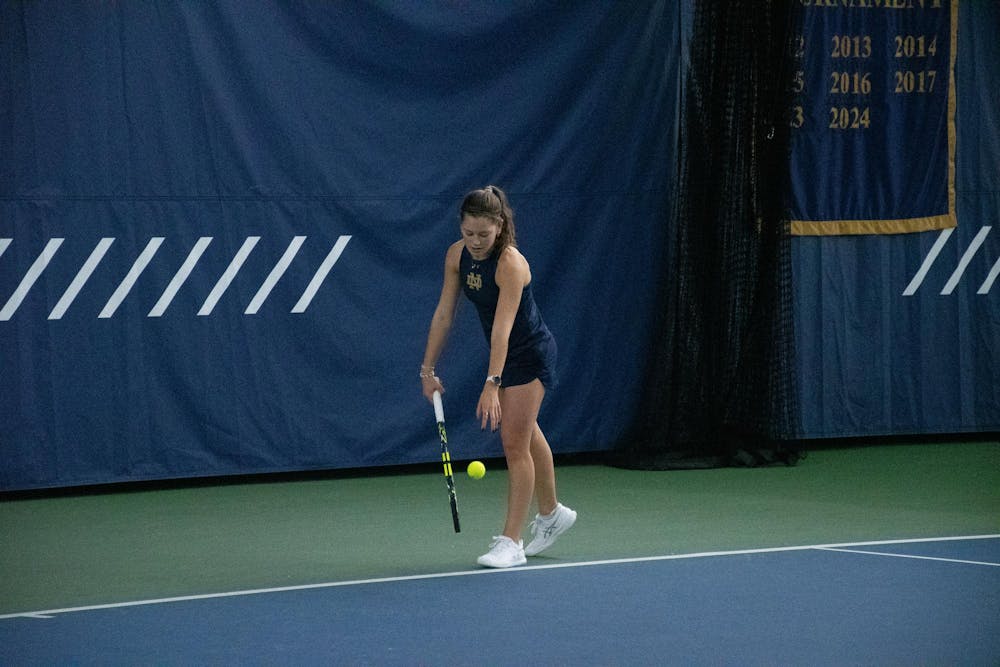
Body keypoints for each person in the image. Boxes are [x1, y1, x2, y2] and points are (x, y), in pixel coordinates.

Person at [420, 185, 576, 568]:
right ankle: (553, 514)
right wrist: (427, 369)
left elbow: (503, 329)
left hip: (529, 354)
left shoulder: (510, 264)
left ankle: (512, 542)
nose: (474, 242)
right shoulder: (457, 256)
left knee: (513, 443)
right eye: (468, 233)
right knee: (525, 431)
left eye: (483, 235)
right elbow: (444, 313)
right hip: (507, 356)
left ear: (500, 225)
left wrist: (493, 383)